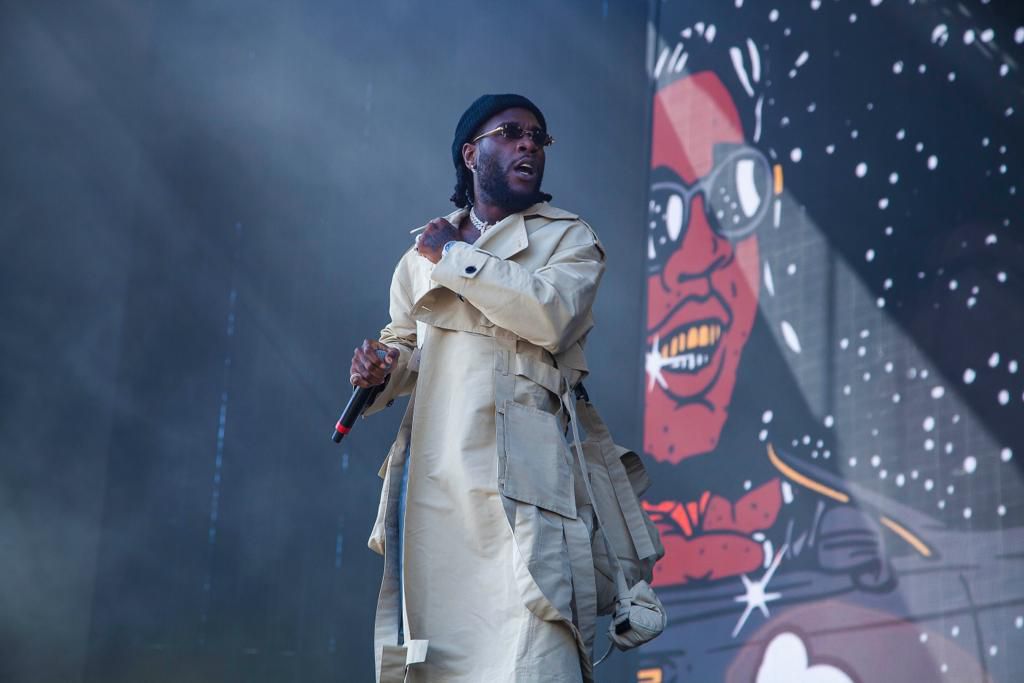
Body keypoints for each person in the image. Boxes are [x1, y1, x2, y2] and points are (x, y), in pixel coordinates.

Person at [350, 94, 606, 683]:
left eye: (538, 137)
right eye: (511, 132)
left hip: (524, 484)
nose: (528, 144)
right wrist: (380, 368)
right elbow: (405, 344)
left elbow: (551, 316)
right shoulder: (419, 256)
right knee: (441, 662)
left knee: (539, 652)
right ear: (472, 153)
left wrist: (455, 257)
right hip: (438, 486)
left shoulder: (568, 239)